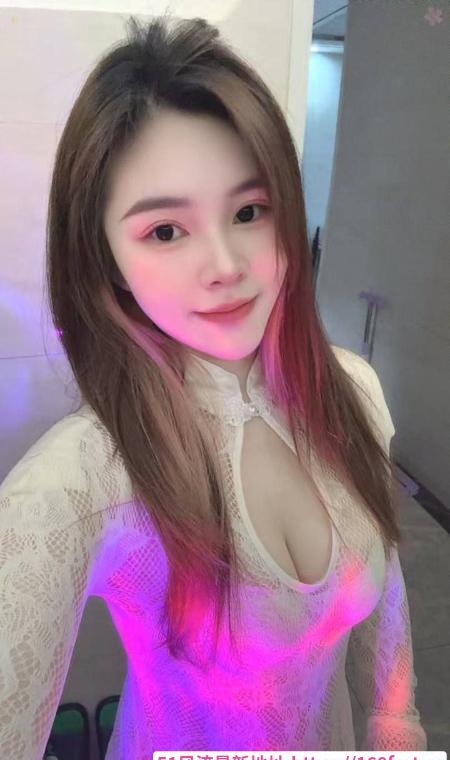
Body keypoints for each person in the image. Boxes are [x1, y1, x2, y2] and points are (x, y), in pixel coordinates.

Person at [0, 12, 427, 758]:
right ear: (105, 258)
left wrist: (395, 724)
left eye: (250, 211)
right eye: (165, 231)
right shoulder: (81, 481)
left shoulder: (352, 389)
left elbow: (384, 588)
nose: (226, 265)